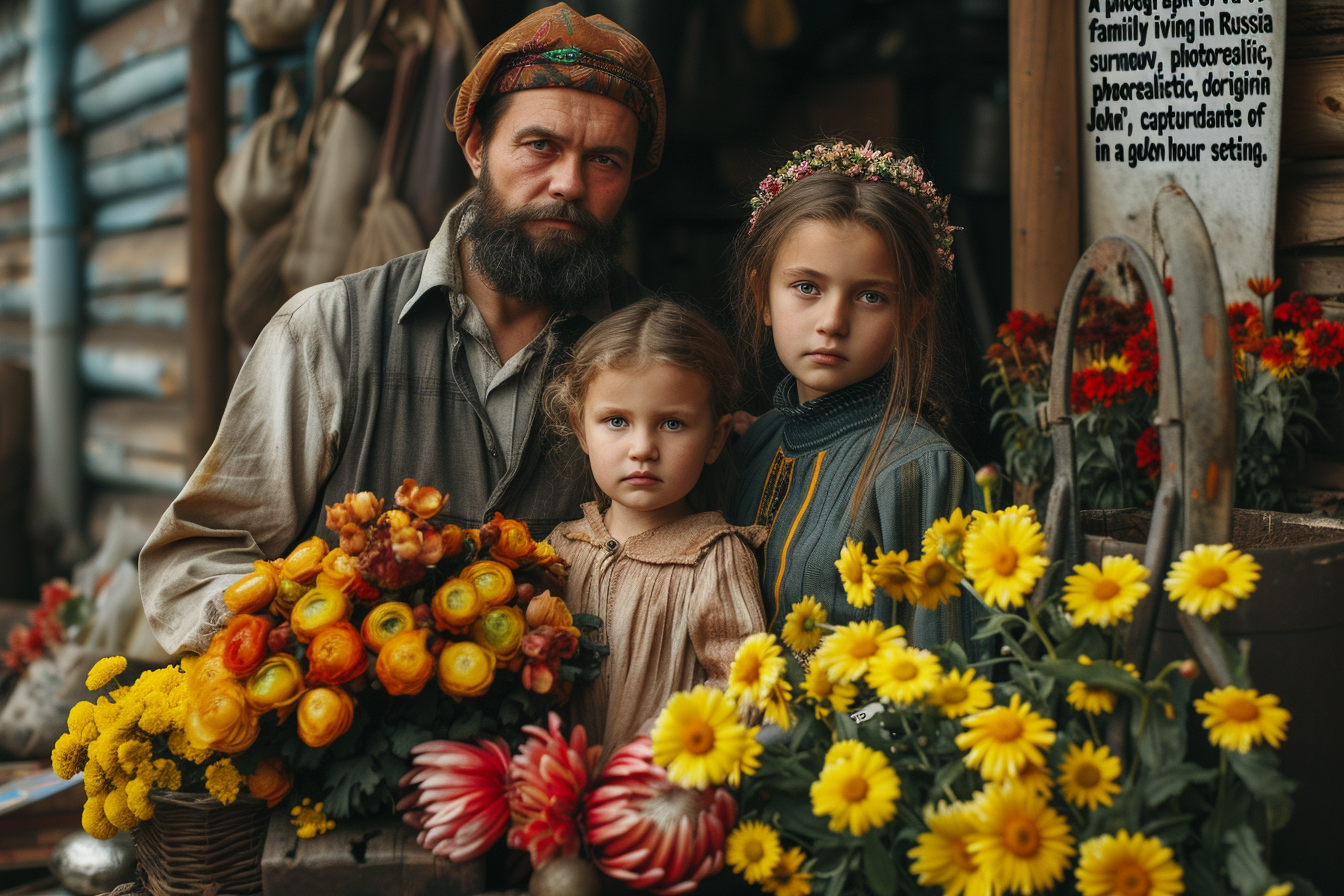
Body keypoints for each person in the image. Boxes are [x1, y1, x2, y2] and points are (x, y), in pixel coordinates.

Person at [138, 4, 666, 656]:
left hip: (566, 753)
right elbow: (194, 559)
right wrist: (307, 642)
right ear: (476, 148)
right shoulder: (329, 330)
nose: (568, 183)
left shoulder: (667, 362)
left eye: (606, 161)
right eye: (540, 146)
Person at [727, 140, 987, 652]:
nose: (832, 323)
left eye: (871, 296)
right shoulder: (757, 444)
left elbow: (938, 684)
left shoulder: (918, 471)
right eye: (806, 287)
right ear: (763, 299)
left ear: (909, 315)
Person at [543, 299, 767, 757]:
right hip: (557, 801)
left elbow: (743, 683)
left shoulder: (714, 556)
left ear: (716, 438)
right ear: (581, 429)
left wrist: (655, 754)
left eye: (672, 423)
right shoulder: (557, 550)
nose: (642, 448)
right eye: (617, 421)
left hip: (659, 803)